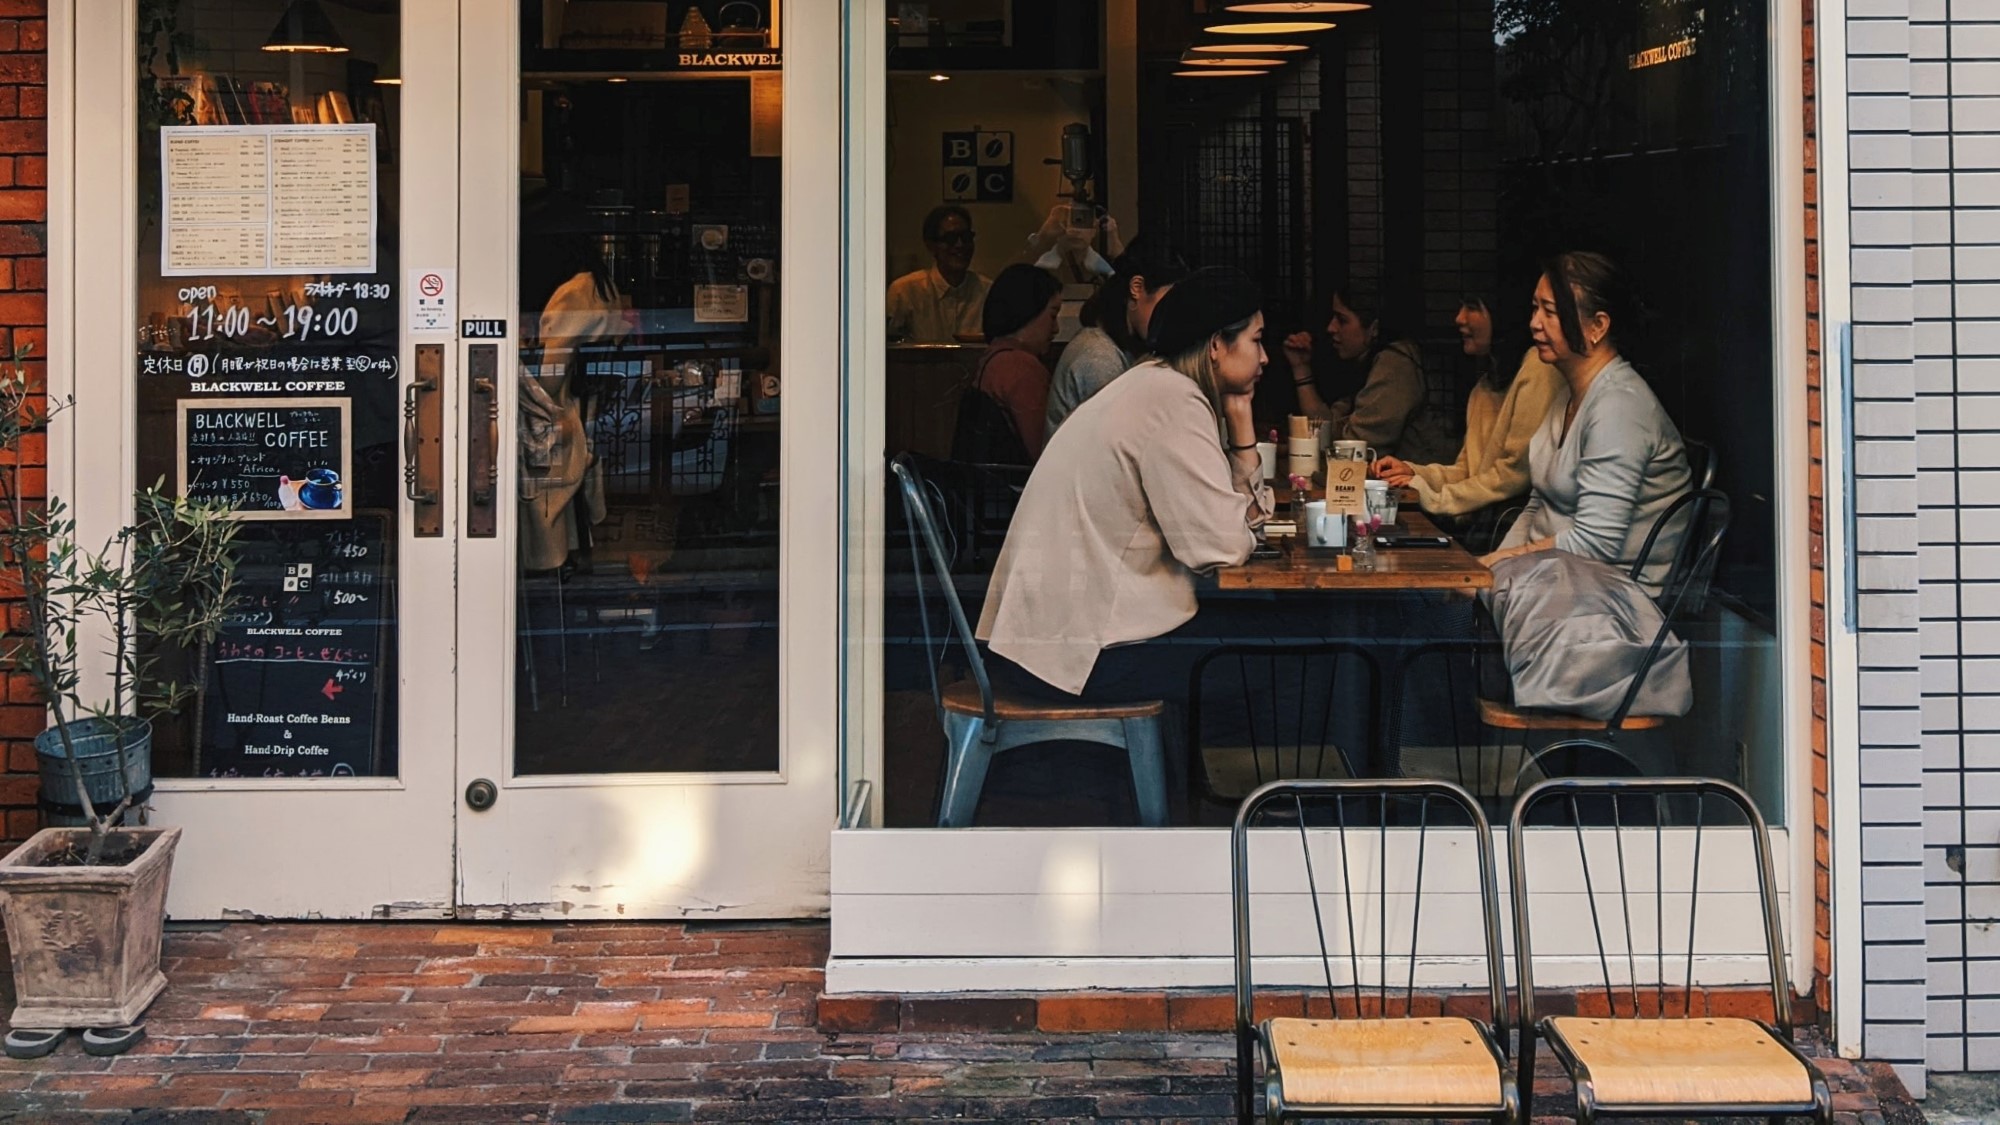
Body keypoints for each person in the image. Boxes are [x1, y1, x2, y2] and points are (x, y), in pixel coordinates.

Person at [978, 267, 1273, 703]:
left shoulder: (1149, 383)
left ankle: (1178, 771)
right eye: (1257, 339)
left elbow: (1225, 531)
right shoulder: (1174, 402)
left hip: (1035, 645)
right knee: (1271, 655)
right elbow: (1221, 547)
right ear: (1216, 346)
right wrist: (1243, 433)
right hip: (1075, 657)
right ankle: (1197, 773)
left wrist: (1241, 420)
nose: (1265, 357)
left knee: (1244, 646)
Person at [1482, 252, 1691, 592]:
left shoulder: (1619, 407)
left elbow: (1597, 543)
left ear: (1598, 326)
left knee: (1446, 602)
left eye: (1551, 312)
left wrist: (1503, 564)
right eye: (1535, 308)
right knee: (1449, 592)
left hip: (1605, 598)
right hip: (1552, 576)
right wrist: (1491, 568)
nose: (1535, 323)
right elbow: (1538, 505)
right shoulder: (1569, 394)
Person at [1373, 292, 1563, 528]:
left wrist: (1433, 498)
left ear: (1502, 314)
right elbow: (1468, 471)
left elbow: (1512, 476)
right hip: (1484, 529)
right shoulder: (1485, 386)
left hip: (1517, 530)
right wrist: (1412, 473)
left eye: (1472, 307)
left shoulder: (1539, 368)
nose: (1459, 318)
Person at [1286, 288, 1456, 465]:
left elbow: (1353, 448)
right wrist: (1301, 368)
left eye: (1342, 320)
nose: (1331, 327)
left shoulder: (1394, 364)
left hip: (1413, 485)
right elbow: (1324, 429)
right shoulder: (1367, 361)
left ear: (1373, 329)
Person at [1044, 238, 1193, 436]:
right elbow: (1124, 439)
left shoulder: (1116, 344)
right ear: (1137, 287)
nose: (1171, 315)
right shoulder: (1098, 357)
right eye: (1168, 302)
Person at [953, 264, 1063, 464]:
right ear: (1028, 311)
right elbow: (1044, 453)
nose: (1056, 328)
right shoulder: (1021, 367)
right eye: (1053, 315)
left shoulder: (994, 357)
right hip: (1016, 489)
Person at [887, 204, 991, 342]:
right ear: (931, 246)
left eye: (966, 237)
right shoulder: (905, 291)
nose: (960, 245)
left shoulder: (988, 292)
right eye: (950, 238)